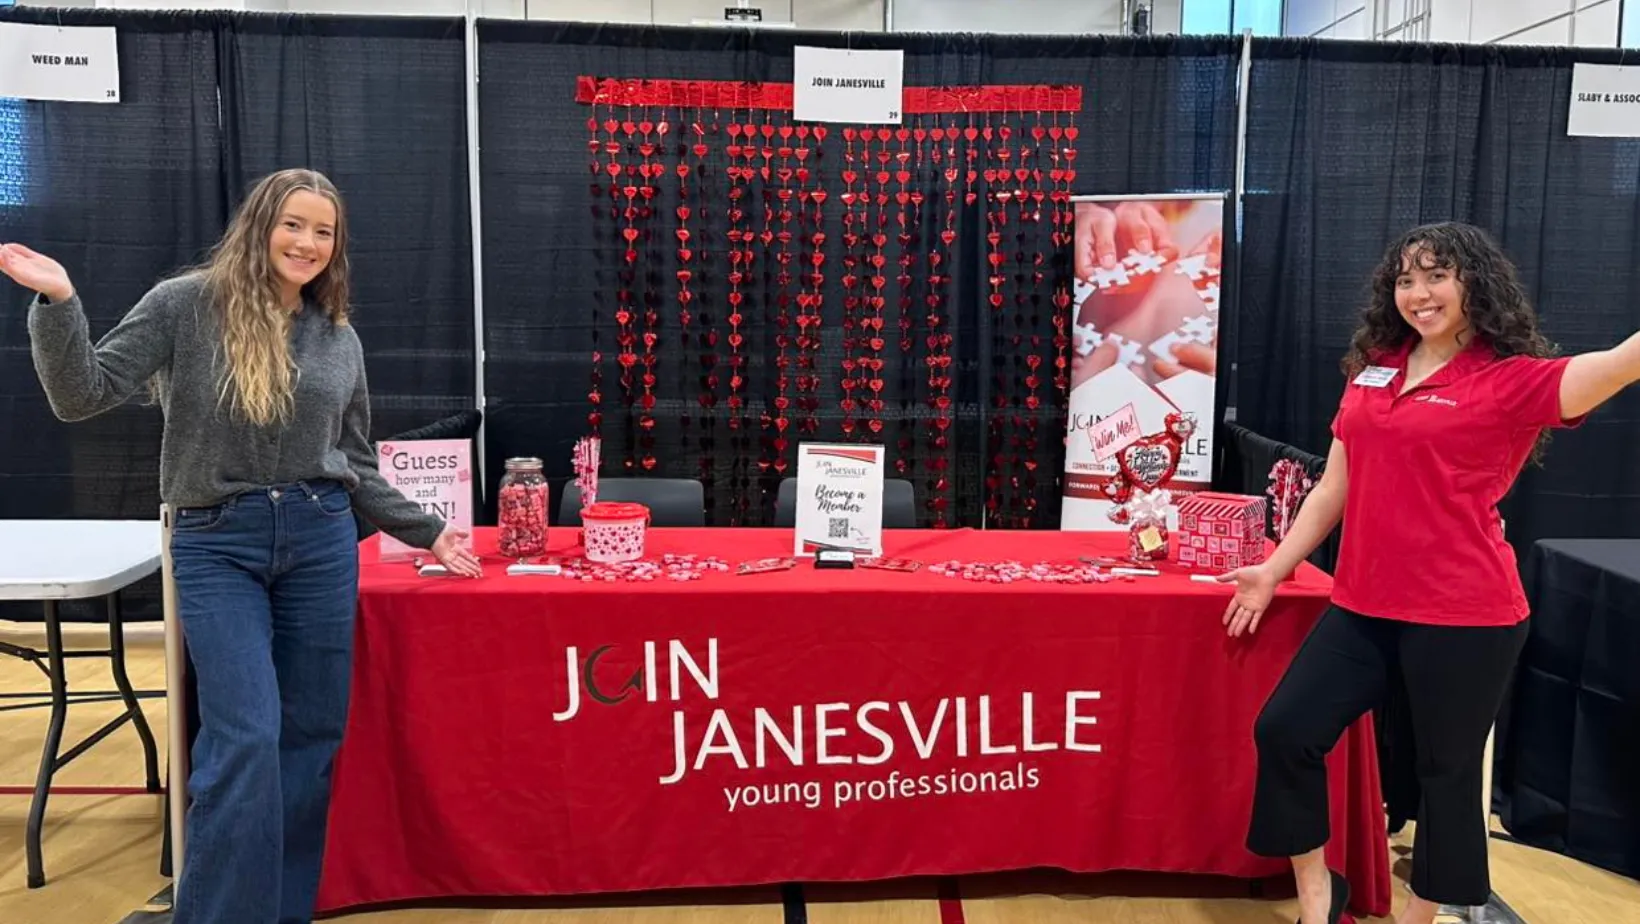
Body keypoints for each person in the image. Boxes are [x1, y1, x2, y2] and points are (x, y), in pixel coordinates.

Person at [1, 168, 484, 924]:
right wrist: (59, 302)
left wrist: (427, 528)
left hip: (320, 538)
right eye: (293, 223)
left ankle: (282, 912)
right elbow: (82, 393)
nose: (307, 242)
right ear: (259, 225)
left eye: (323, 231)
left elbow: (354, 462)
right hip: (217, 542)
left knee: (310, 737)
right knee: (246, 736)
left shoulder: (339, 337)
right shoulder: (184, 304)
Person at [1215, 221, 1640, 924]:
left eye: (1437, 275)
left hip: (1466, 615)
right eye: (1405, 280)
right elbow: (1334, 487)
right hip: (1363, 606)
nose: (1419, 293)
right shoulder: (1375, 368)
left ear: (1475, 283)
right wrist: (1272, 569)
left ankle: (1420, 917)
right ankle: (1319, 896)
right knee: (1285, 731)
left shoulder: (1512, 381)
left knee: (1446, 776)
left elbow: (1623, 362)